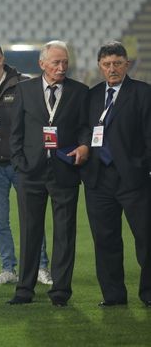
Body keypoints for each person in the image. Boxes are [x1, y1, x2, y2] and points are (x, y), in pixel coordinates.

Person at [8, 40, 90, 307]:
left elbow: (84, 127)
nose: (62, 67)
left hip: (65, 171)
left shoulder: (80, 92)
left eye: (65, 62)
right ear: (42, 64)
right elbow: (16, 132)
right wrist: (20, 163)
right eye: (56, 62)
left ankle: (61, 292)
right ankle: (24, 289)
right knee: (30, 232)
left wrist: (84, 145)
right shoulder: (24, 90)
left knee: (65, 233)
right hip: (31, 173)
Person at [0, 42, 52, 285]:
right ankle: (8, 268)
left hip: (20, 163)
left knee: (31, 215)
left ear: (0, 59)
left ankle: (41, 267)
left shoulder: (24, 84)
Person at [81, 41, 151, 307]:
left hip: (134, 179)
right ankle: (113, 296)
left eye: (118, 63)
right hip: (99, 179)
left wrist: (141, 165)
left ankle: (149, 294)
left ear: (127, 64)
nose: (112, 69)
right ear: (100, 66)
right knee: (105, 240)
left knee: (146, 239)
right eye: (107, 64)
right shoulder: (92, 95)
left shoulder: (144, 93)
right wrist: (84, 146)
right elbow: (85, 129)